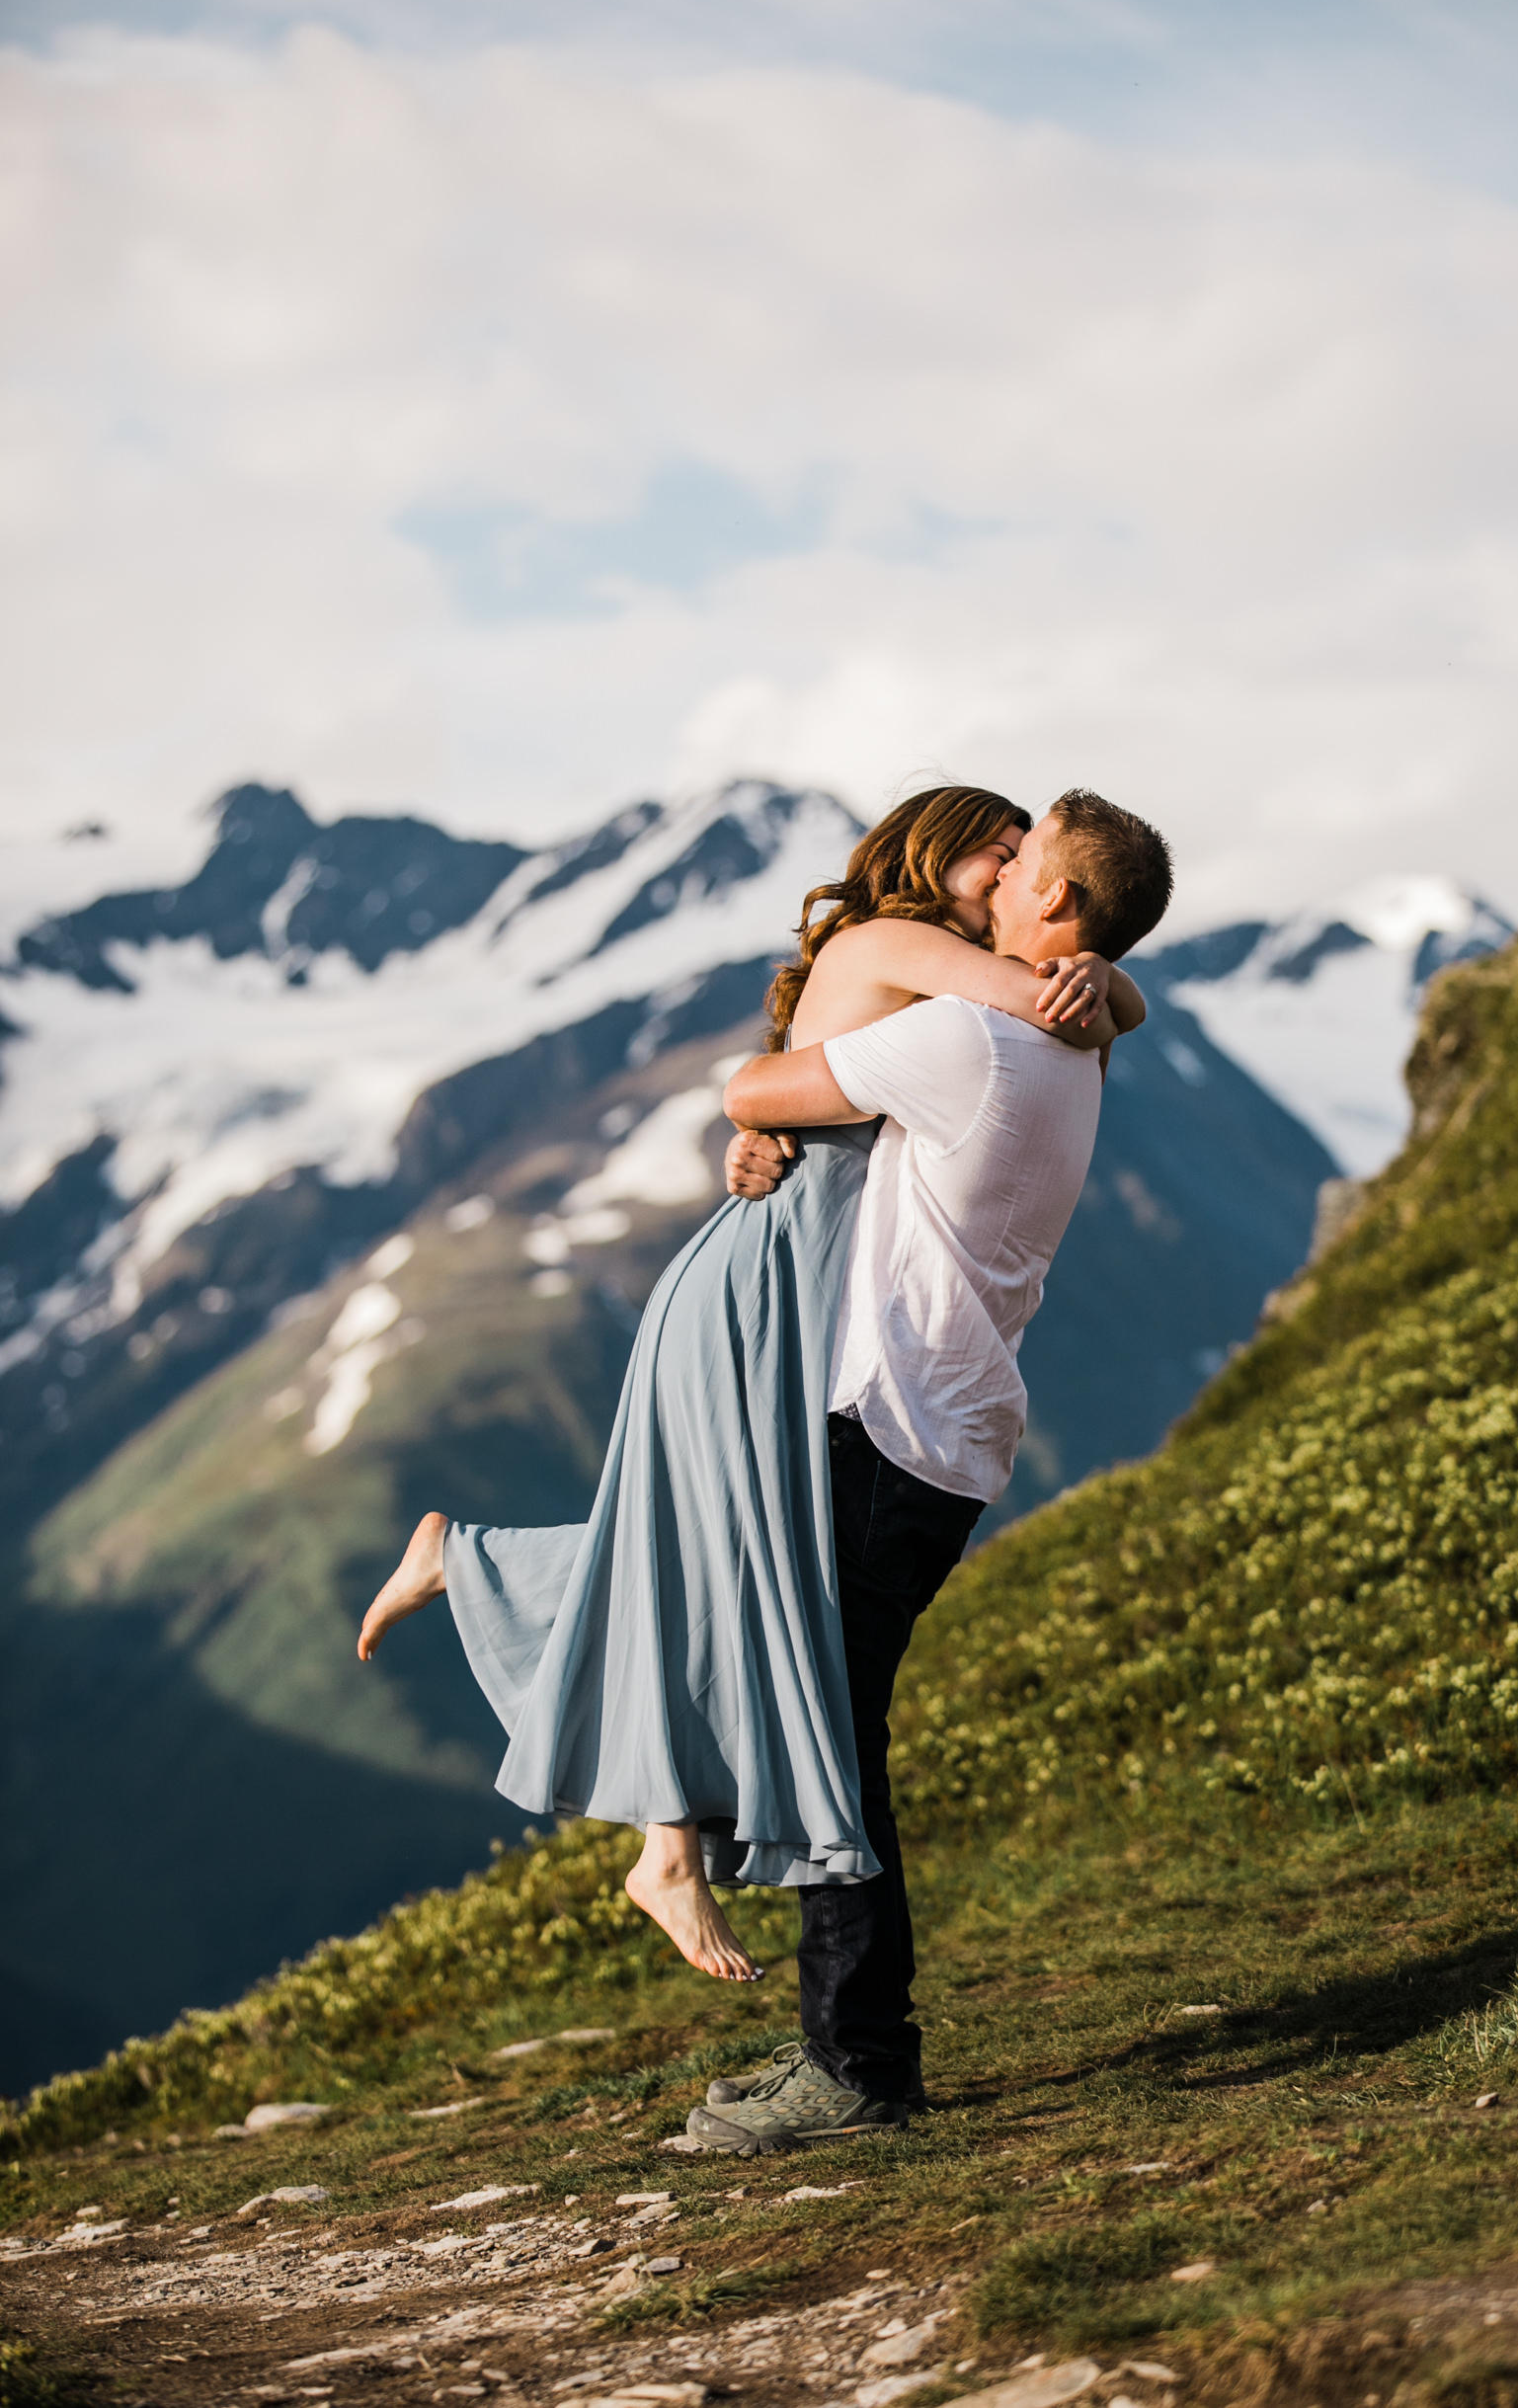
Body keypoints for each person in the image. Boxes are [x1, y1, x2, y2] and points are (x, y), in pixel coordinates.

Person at [356, 787, 1137, 2001]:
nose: (1007, 863)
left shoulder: (938, 975)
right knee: (719, 1563)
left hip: (798, 1283)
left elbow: (1036, 998)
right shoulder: (900, 951)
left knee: (714, 1561)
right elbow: (1025, 999)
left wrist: (1098, 975)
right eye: (998, 843)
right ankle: (663, 1841)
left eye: (1023, 852)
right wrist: (1091, 983)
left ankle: (490, 1590)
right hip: (765, 1289)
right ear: (945, 857)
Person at [687, 788, 1171, 2154]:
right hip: (951, 1433)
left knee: (831, 1745)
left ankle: (853, 2068)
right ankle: (844, 2049)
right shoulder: (1074, 1048)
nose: (1003, 871)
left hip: (884, 1423)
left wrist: (757, 1123)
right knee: (831, 1729)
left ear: (1056, 914)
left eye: (1022, 865)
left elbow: (753, 1087)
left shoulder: (964, 1037)